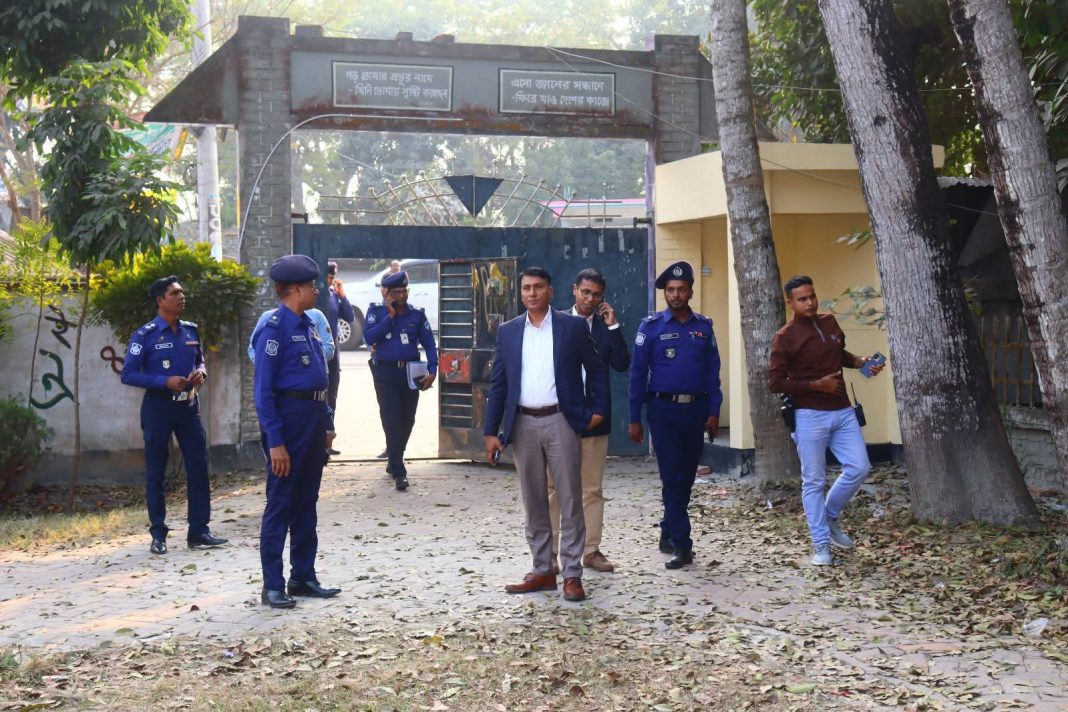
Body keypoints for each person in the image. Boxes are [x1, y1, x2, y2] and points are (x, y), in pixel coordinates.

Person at [483, 267, 609, 602]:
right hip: (522, 424)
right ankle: (542, 569)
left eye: (538, 287)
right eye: (526, 288)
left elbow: (597, 368)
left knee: (570, 498)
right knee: (534, 499)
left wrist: (597, 410)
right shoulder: (509, 331)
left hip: (561, 420)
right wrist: (491, 431)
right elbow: (498, 383)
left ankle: (572, 574)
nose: (532, 293)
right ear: (520, 292)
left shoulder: (572, 327)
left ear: (550, 291)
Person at [768, 275, 884, 566]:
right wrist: (816, 386)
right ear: (790, 303)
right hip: (809, 415)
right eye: (802, 299)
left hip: (843, 411)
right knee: (814, 481)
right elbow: (775, 382)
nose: (809, 302)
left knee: (859, 467)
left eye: (812, 296)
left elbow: (838, 354)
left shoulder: (829, 322)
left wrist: (859, 362)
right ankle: (821, 546)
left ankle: (829, 516)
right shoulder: (785, 337)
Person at [252, 254, 341, 609]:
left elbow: (319, 381)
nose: (317, 290)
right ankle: (273, 585)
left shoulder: (308, 325)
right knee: (281, 503)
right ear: (293, 289)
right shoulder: (274, 329)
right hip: (287, 424)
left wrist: (327, 422)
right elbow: (263, 392)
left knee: (307, 501)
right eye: (310, 285)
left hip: (313, 421)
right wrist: (276, 441)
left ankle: (303, 576)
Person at [121, 276, 227, 555]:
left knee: (198, 467)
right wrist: (164, 381)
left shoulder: (190, 330)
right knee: (156, 471)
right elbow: (128, 374)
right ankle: (158, 534)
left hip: (188, 408)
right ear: (160, 300)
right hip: (158, 408)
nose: (182, 297)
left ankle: (199, 530)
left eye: (182, 292)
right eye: (175, 293)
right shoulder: (145, 335)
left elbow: (200, 360)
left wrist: (201, 372)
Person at [628, 261, 722, 570]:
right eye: (670, 290)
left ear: (690, 291)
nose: (676, 294)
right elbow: (637, 375)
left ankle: (668, 530)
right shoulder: (651, 327)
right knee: (672, 477)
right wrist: (634, 418)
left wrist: (714, 411)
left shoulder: (703, 327)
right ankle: (683, 545)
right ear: (664, 293)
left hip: (695, 410)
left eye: (681, 289)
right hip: (663, 411)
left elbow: (713, 373)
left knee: (686, 477)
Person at [547, 268, 631, 573]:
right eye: (585, 292)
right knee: (553, 489)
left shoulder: (605, 327)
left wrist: (613, 326)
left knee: (591, 489)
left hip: (595, 419)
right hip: (558, 418)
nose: (590, 299)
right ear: (574, 290)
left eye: (596, 295)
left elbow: (621, 364)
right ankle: (550, 554)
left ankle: (591, 550)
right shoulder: (556, 323)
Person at [363, 270, 438, 491]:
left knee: (408, 419)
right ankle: (399, 470)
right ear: (386, 293)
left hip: (411, 372)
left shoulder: (416, 315)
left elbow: (429, 344)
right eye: (396, 292)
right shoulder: (376, 312)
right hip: (385, 372)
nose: (401, 295)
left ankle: (395, 456)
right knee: (391, 419)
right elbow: (369, 337)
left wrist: (433, 370)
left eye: (404, 291)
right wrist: (390, 316)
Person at [325, 262, 354, 456]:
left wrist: (342, 295)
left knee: (332, 394)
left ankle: (328, 441)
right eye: (329, 277)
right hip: (319, 347)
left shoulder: (334, 294)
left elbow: (349, 317)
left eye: (333, 277)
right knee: (320, 393)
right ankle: (318, 442)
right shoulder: (317, 294)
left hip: (334, 348)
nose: (331, 280)